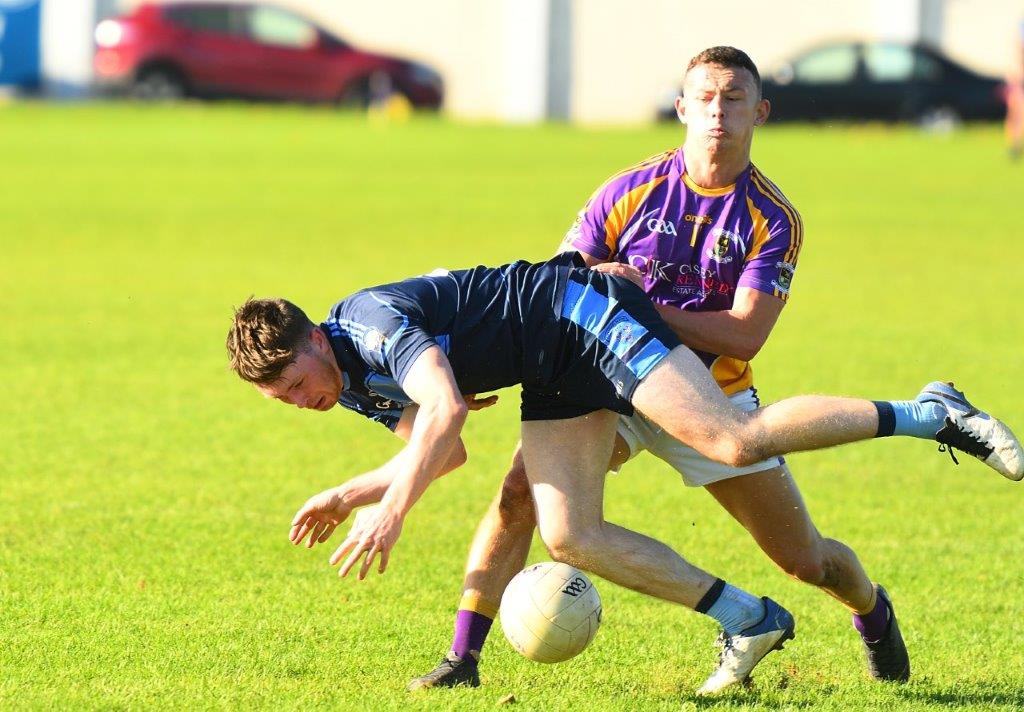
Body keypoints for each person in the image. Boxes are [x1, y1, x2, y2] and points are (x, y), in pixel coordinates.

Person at [226, 255, 1022, 695]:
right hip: (554, 372)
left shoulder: (371, 324)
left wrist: (390, 511)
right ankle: (751, 618)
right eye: (283, 400)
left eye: (298, 384)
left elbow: (445, 414)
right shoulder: (349, 387)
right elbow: (439, 450)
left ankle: (931, 412)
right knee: (568, 533)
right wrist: (349, 493)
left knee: (730, 438)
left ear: (316, 341)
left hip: (579, 314)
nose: (302, 403)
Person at [405, 45, 919, 693]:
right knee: (519, 495)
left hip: (711, 402)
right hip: (606, 390)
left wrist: (636, 307)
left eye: (734, 99)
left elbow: (746, 335)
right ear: (681, 107)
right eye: (704, 97)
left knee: (806, 560)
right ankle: (463, 659)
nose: (717, 112)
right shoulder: (628, 191)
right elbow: (556, 287)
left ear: (760, 112)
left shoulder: (772, 219)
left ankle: (872, 610)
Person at [1005, 21, 1024, 160]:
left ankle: (1015, 146)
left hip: (1018, 78)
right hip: (1017, 79)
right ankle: (1014, 146)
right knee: (1014, 114)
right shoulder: (1021, 27)